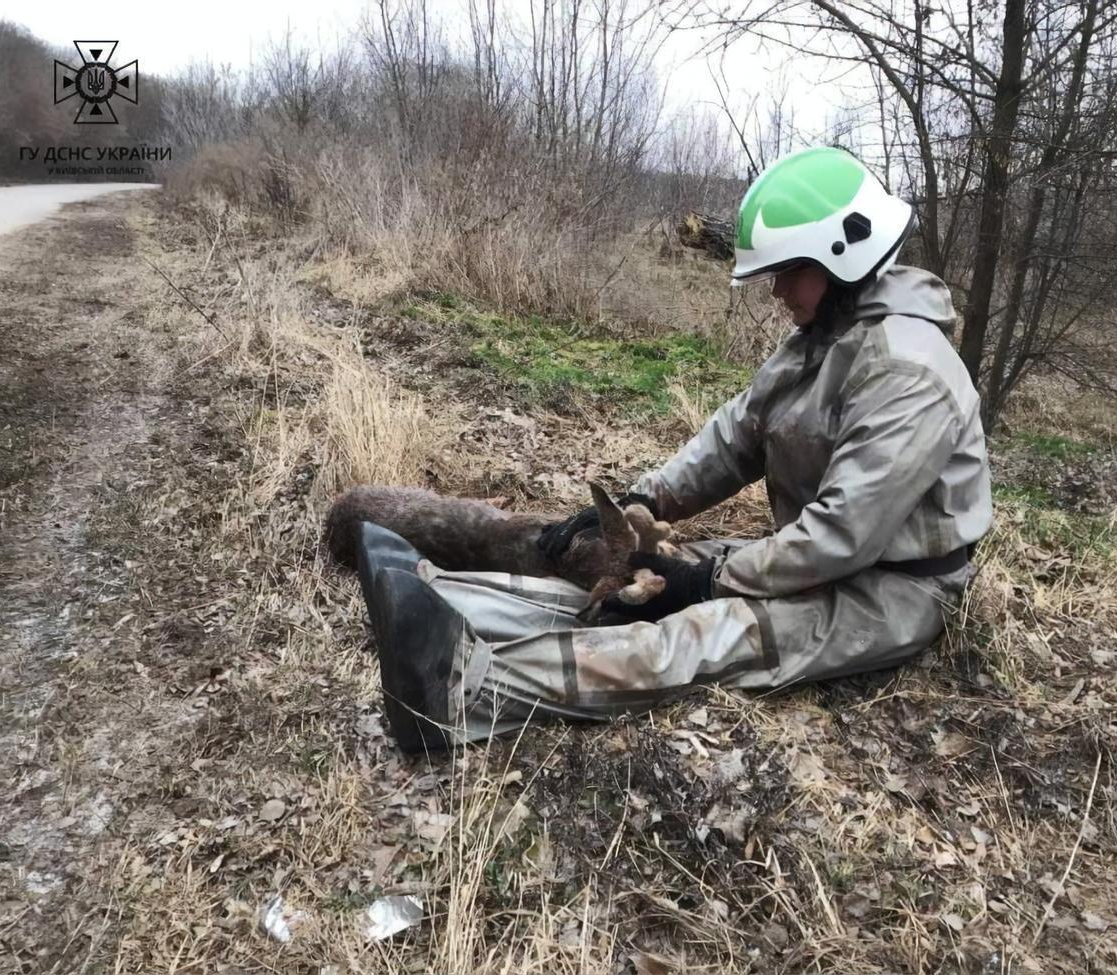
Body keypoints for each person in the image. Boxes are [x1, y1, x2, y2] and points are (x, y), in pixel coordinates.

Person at [356, 146, 993, 753]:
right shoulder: (820, 341)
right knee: (644, 576)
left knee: (698, 636)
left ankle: (459, 691)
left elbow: (842, 537)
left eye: (785, 274)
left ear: (841, 256)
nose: (775, 293)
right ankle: (440, 597)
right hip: (826, 561)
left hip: (890, 594)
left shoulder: (908, 372)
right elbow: (735, 437)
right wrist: (643, 499)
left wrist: (709, 582)